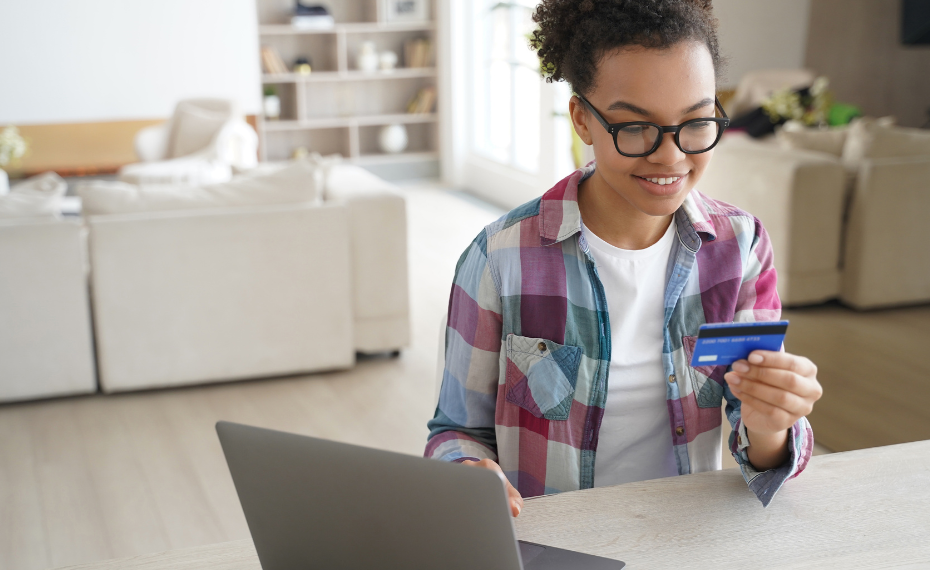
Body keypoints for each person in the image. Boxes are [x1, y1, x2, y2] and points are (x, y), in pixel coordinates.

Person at [425, 0, 822, 516]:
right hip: (555, 544)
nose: (671, 156)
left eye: (697, 122)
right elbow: (454, 432)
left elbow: (758, 440)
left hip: (685, 539)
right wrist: (468, 473)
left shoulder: (739, 247)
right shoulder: (500, 258)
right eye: (636, 128)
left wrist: (771, 422)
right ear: (582, 121)